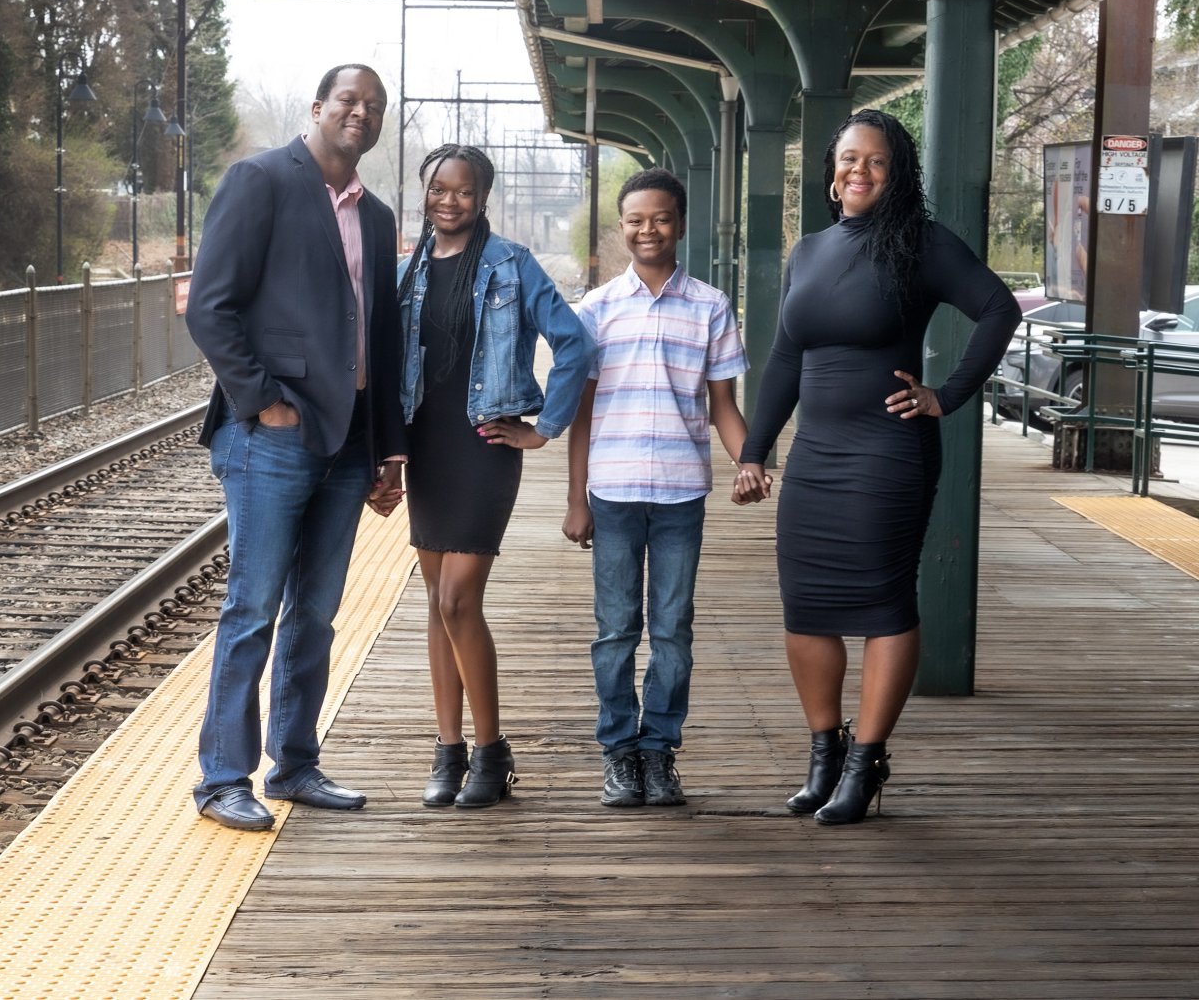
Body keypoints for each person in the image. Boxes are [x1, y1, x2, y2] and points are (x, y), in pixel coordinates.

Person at [734, 109, 1020, 824]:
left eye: (876, 161)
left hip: (887, 452)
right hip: (817, 454)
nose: (858, 170)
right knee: (806, 605)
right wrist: (754, 451)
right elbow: (785, 358)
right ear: (832, 172)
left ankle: (866, 763)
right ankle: (824, 757)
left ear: (897, 174)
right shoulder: (809, 251)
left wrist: (946, 395)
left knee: (883, 602)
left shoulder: (921, 243)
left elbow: (999, 309)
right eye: (848, 158)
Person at [186, 63, 408, 832]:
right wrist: (265, 401)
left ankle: (295, 763)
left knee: (315, 611)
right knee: (252, 607)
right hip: (272, 438)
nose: (361, 112)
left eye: (374, 105)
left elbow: (381, 337)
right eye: (349, 99)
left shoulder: (375, 216)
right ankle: (223, 778)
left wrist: (389, 447)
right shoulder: (261, 181)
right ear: (318, 106)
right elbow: (210, 308)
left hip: (350, 442)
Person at [398, 143, 595, 809]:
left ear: (483, 197)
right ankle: (448, 749)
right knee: (436, 601)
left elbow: (574, 342)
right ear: (424, 193)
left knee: (458, 599)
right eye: (438, 189)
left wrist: (544, 427)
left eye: (463, 191)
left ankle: (491, 751)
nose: (448, 201)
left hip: (484, 444)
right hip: (427, 447)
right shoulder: (407, 271)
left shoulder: (511, 263)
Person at [563, 167, 755, 808]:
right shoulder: (595, 310)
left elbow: (723, 405)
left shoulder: (710, 306)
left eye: (661, 219)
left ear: (680, 224)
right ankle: (619, 753)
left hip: (681, 493)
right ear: (622, 227)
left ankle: (658, 751)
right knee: (615, 629)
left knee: (673, 629)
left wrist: (750, 462)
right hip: (612, 492)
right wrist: (576, 500)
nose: (648, 230)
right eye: (636, 220)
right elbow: (583, 413)